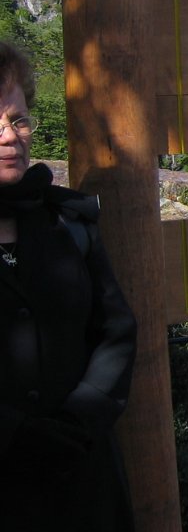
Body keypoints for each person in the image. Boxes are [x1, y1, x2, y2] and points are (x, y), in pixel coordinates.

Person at [0, 40, 137, 531]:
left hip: (84, 482)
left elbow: (115, 329)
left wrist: (83, 417)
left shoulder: (68, 222)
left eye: (17, 120)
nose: (10, 136)